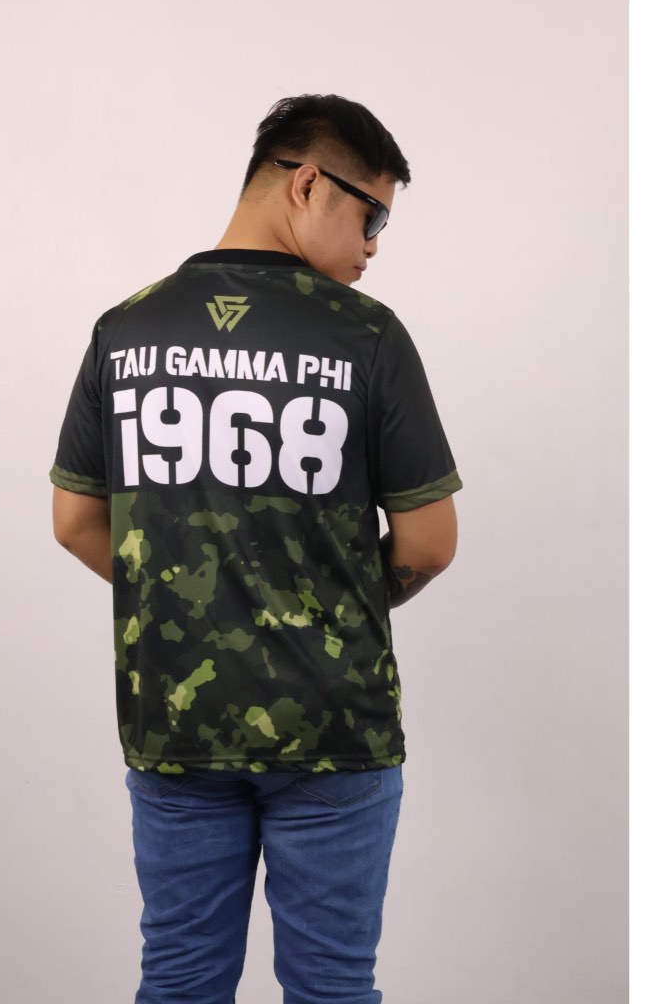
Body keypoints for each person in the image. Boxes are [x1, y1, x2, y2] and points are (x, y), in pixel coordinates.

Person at [50, 93, 461, 1004]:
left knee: (180, 981)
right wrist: (327, 597)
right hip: (334, 728)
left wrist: (186, 595)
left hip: (174, 722)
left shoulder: (127, 329)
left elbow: (74, 521)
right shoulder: (367, 336)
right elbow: (430, 544)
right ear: (307, 183)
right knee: (333, 987)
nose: (375, 247)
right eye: (372, 216)